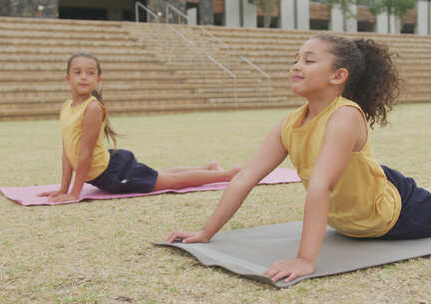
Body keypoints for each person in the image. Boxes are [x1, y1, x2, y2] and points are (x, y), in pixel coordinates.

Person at [167, 33, 431, 283]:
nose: (296, 65)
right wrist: (205, 233)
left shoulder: (345, 116)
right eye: (295, 59)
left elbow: (321, 186)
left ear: (338, 76)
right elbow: (245, 177)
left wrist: (305, 260)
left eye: (309, 60)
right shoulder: (288, 124)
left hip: (396, 209)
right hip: (358, 205)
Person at [39, 52, 240, 202]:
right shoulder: (66, 107)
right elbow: (67, 152)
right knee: (160, 175)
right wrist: (63, 189)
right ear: (67, 78)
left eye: (90, 73)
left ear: (98, 80)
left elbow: (85, 154)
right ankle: (207, 167)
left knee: (171, 182)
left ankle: (226, 175)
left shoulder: (91, 108)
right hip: (108, 167)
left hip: (113, 174)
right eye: (78, 72)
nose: (84, 77)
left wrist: (75, 194)